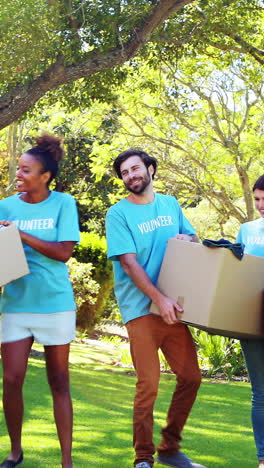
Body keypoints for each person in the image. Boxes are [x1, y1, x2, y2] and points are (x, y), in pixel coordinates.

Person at [106, 149, 206, 468]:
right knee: (148, 383)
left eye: (136, 168)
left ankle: (170, 448)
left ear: (150, 169)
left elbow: (192, 238)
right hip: (141, 309)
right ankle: (143, 456)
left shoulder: (170, 204)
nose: (131, 175)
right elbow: (128, 262)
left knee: (191, 376)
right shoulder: (117, 214)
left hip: (173, 307)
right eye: (125, 172)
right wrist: (158, 299)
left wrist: (188, 239)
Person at [0, 134, 80, 468]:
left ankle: (66, 461)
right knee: (12, 379)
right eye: (18, 168)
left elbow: (63, 253)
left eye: (25, 169)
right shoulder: (5, 206)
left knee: (59, 382)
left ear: (45, 176)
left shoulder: (64, 204)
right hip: (16, 305)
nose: (18, 174)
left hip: (55, 305)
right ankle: (15, 451)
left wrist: (21, 234)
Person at [236, 174, 264, 468]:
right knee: (260, 394)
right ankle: (262, 459)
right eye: (257, 199)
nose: (260, 205)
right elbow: (235, 272)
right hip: (250, 321)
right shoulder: (245, 231)